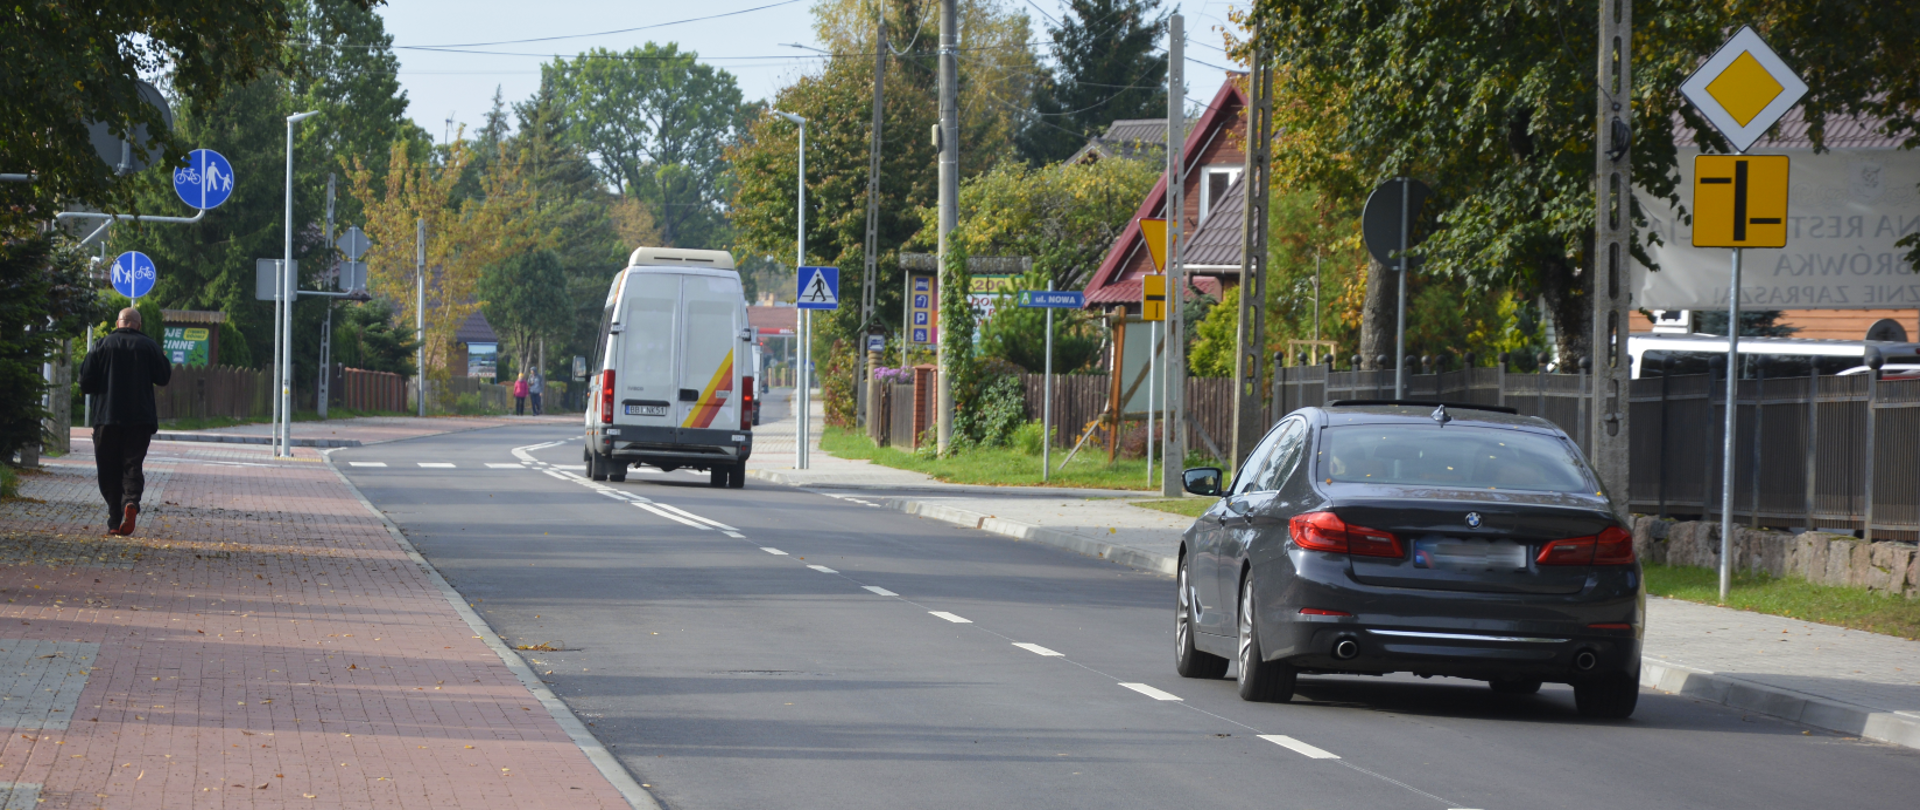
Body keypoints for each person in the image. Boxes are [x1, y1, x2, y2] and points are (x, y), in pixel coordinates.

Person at [78, 307, 171, 536]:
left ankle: (113, 520)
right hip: (140, 419)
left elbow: (85, 383)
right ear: (138, 325)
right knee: (132, 464)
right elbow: (163, 378)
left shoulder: (101, 345)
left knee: (108, 468)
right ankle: (130, 502)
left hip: (106, 418)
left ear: (118, 323)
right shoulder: (150, 346)